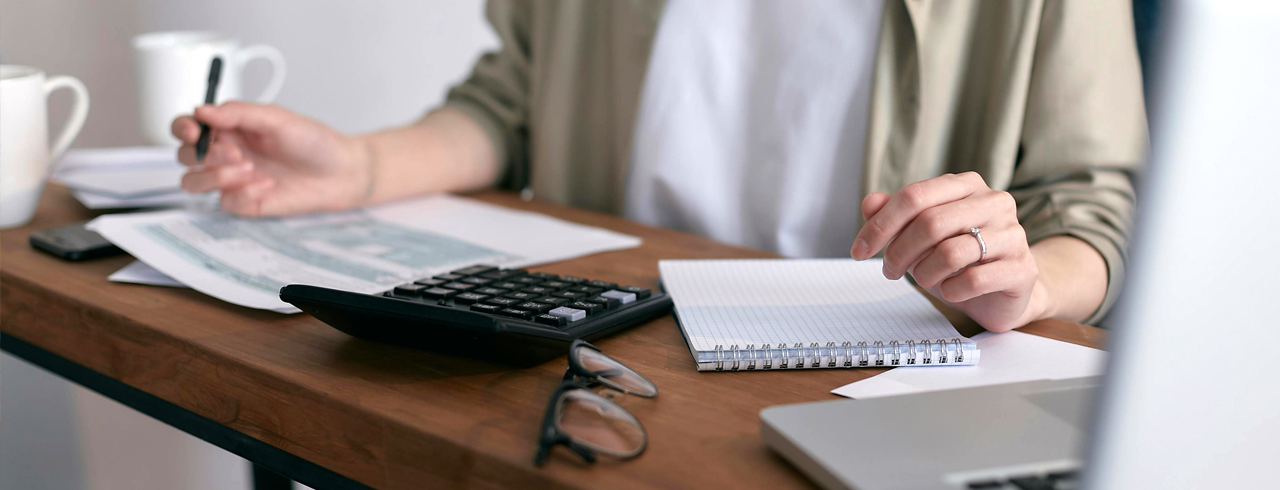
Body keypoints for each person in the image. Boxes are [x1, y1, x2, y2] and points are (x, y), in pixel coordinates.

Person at [170, 0, 1146, 333]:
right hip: (605, 347)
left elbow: (1096, 206)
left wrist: (1024, 280)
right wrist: (354, 165)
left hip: (862, 367)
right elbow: (513, 106)